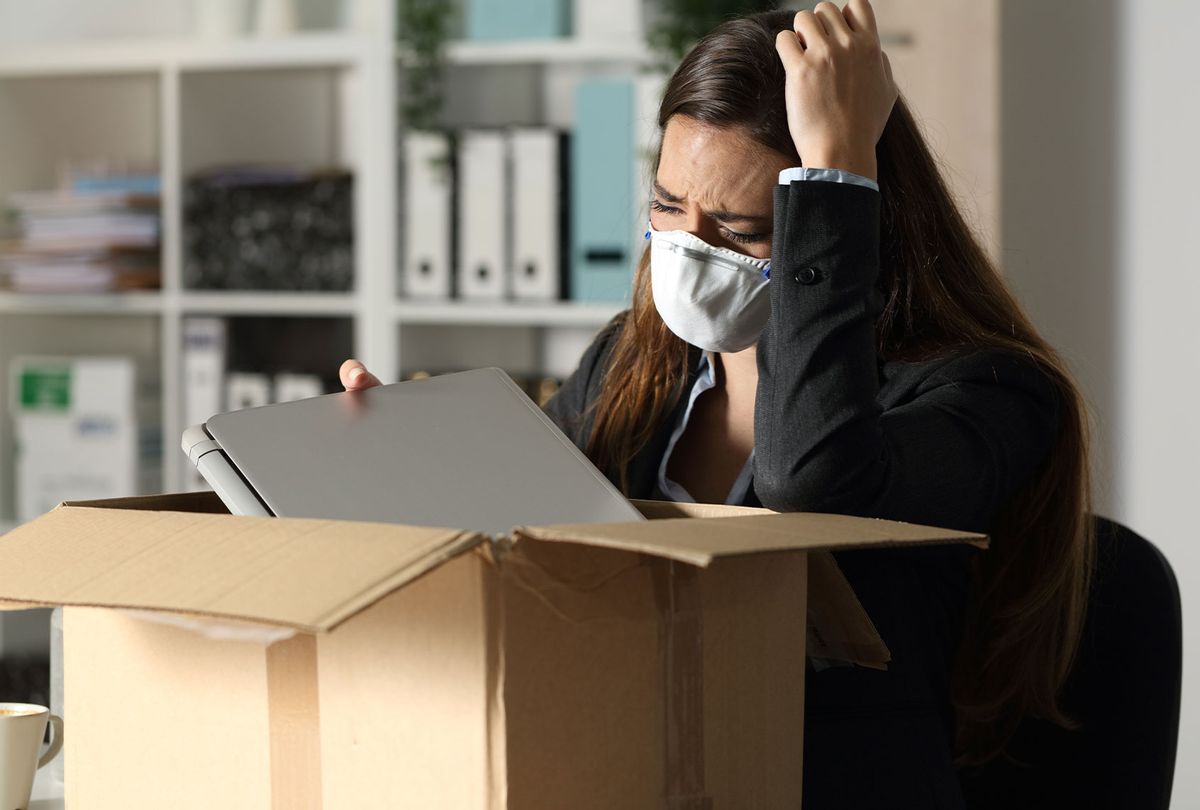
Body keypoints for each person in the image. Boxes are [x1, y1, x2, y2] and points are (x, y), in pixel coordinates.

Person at [340, 2, 1095, 805]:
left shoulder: (991, 392)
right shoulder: (633, 364)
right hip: (621, 766)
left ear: (840, 224)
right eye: (668, 207)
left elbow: (814, 481)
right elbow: (525, 549)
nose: (690, 254)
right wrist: (403, 467)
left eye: (739, 231)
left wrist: (839, 168)